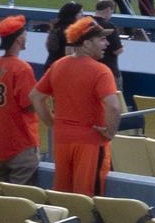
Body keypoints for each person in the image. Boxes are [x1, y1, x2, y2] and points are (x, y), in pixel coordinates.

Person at [34, 18, 123, 196]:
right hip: (90, 141)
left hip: (62, 140)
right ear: (87, 43)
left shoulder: (58, 65)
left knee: (64, 196)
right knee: (87, 198)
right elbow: (113, 107)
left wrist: (53, 124)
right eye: (101, 39)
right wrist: (110, 133)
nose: (106, 43)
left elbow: (36, 97)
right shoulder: (101, 70)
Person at [0, 15, 40, 184]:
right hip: (19, 145)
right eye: (25, 33)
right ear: (19, 39)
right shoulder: (21, 68)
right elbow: (29, 106)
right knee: (19, 203)